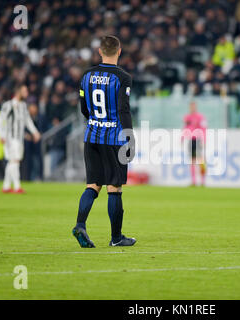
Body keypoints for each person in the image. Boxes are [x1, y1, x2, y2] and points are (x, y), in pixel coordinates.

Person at [72, 35, 136, 248]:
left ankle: (80, 224)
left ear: (100, 51)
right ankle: (116, 238)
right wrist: (129, 136)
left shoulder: (86, 75)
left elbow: (83, 108)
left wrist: (95, 122)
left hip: (91, 137)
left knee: (92, 185)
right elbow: (123, 109)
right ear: (119, 51)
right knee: (114, 187)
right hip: (114, 138)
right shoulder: (123, 77)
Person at [0, 84, 41, 194]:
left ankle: (6, 186)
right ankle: (17, 186)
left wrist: (35, 132)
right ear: (18, 92)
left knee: (12, 161)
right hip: (10, 138)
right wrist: (2, 135)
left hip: (19, 138)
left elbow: (28, 121)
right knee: (15, 160)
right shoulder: (8, 105)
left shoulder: (23, 106)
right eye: (25, 91)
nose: (26, 93)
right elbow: (1, 120)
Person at [182, 101, 207, 186]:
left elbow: (203, 129)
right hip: (191, 140)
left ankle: (203, 181)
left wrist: (204, 140)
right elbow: (185, 128)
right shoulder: (187, 117)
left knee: (200, 161)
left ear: (196, 107)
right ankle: (194, 181)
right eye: (191, 107)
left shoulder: (200, 117)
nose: (192, 108)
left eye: (193, 106)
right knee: (192, 161)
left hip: (198, 140)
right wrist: (182, 138)